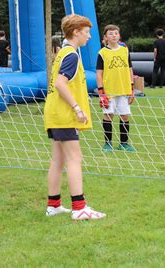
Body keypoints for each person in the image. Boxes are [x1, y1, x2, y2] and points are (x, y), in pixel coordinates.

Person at [43, 14, 106, 220]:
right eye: (86, 32)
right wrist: (77, 108)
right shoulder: (72, 55)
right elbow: (61, 83)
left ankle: (53, 205)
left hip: (54, 114)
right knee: (74, 159)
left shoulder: (63, 53)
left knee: (58, 160)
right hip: (64, 115)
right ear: (76, 32)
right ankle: (79, 208)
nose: (89, 36)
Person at [96, 24, 135, 152]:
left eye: (116, 33)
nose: (114, 35)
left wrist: (132, 88)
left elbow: (129, 69)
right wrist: (101, 92)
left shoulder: (125, 50)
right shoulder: (102, 53)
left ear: (119, 36)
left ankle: (124, 143)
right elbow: (99, 73)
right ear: (105, 37)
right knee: (108, 116)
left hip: (124, 89)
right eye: (111, 33)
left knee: (124, 116)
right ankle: (108, 144)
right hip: (109, 91)